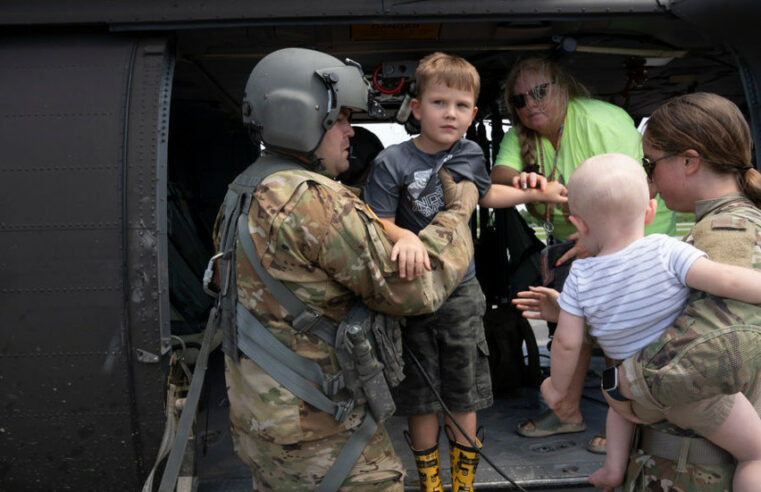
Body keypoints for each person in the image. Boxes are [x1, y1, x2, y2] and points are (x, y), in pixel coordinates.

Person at [211, 47, 481, 491]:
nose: (350, 132)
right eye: (339, 120)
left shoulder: (243, 189)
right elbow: (416, 290)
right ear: (303, 117)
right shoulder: (312, 199)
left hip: (262, 420)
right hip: (319, 432)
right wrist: (457, 213)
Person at [517, 92, 761, 491]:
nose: (648, 180)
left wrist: (621, 387)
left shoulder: (726, 232)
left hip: (694, 471)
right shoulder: (682, 242)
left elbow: (717, 351)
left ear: (688, 161)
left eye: (651, 164)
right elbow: (670, 319)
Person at [363, 52, 567, 491]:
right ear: (416, 109)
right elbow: (376, 220)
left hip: (460, 288)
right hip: (412, 292)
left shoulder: (470, 153)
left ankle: (463, 484)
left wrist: (538, 191)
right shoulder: (391, 162)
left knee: (464, 388)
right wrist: (408, 238)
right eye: (438, 103)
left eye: (460, 106)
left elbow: (484, 195)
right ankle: (432, 484)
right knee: (421, 393)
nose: (449, 113)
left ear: (473, 114)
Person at [492, 56, 676, 448]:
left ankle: (631, 420)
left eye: (540, 91)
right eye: (520, 99)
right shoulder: (522, 134)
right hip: (577, 242)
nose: (531, 104)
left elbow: (633, 189)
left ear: (564, 88)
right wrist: (525, 181)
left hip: (630, 237)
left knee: (618, 331)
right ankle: (566, 413)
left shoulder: (600, 121)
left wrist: (599, 244)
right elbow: (498, 177)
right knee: (569, 328)